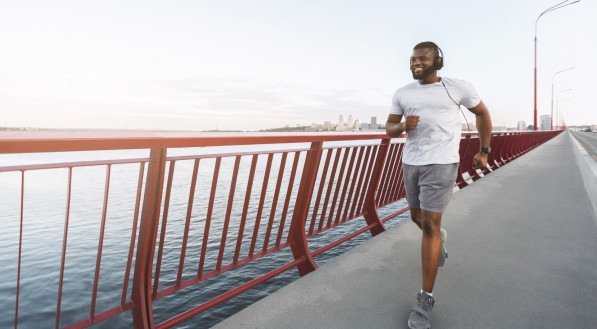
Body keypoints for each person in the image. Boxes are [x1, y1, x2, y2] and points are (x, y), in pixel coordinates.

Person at [385, 41, 492, 329]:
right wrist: (403, 127)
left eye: (422, 58)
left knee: (430, 225)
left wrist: (484, 150)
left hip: (443, 162)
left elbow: (482, 113)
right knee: (416, 218)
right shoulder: (402, 93)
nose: (415, 63)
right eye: (412, 59)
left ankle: (424, 300)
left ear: (437, 61)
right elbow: (389, 128)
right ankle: (439, 238)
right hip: (412, 162)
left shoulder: (458, 87)